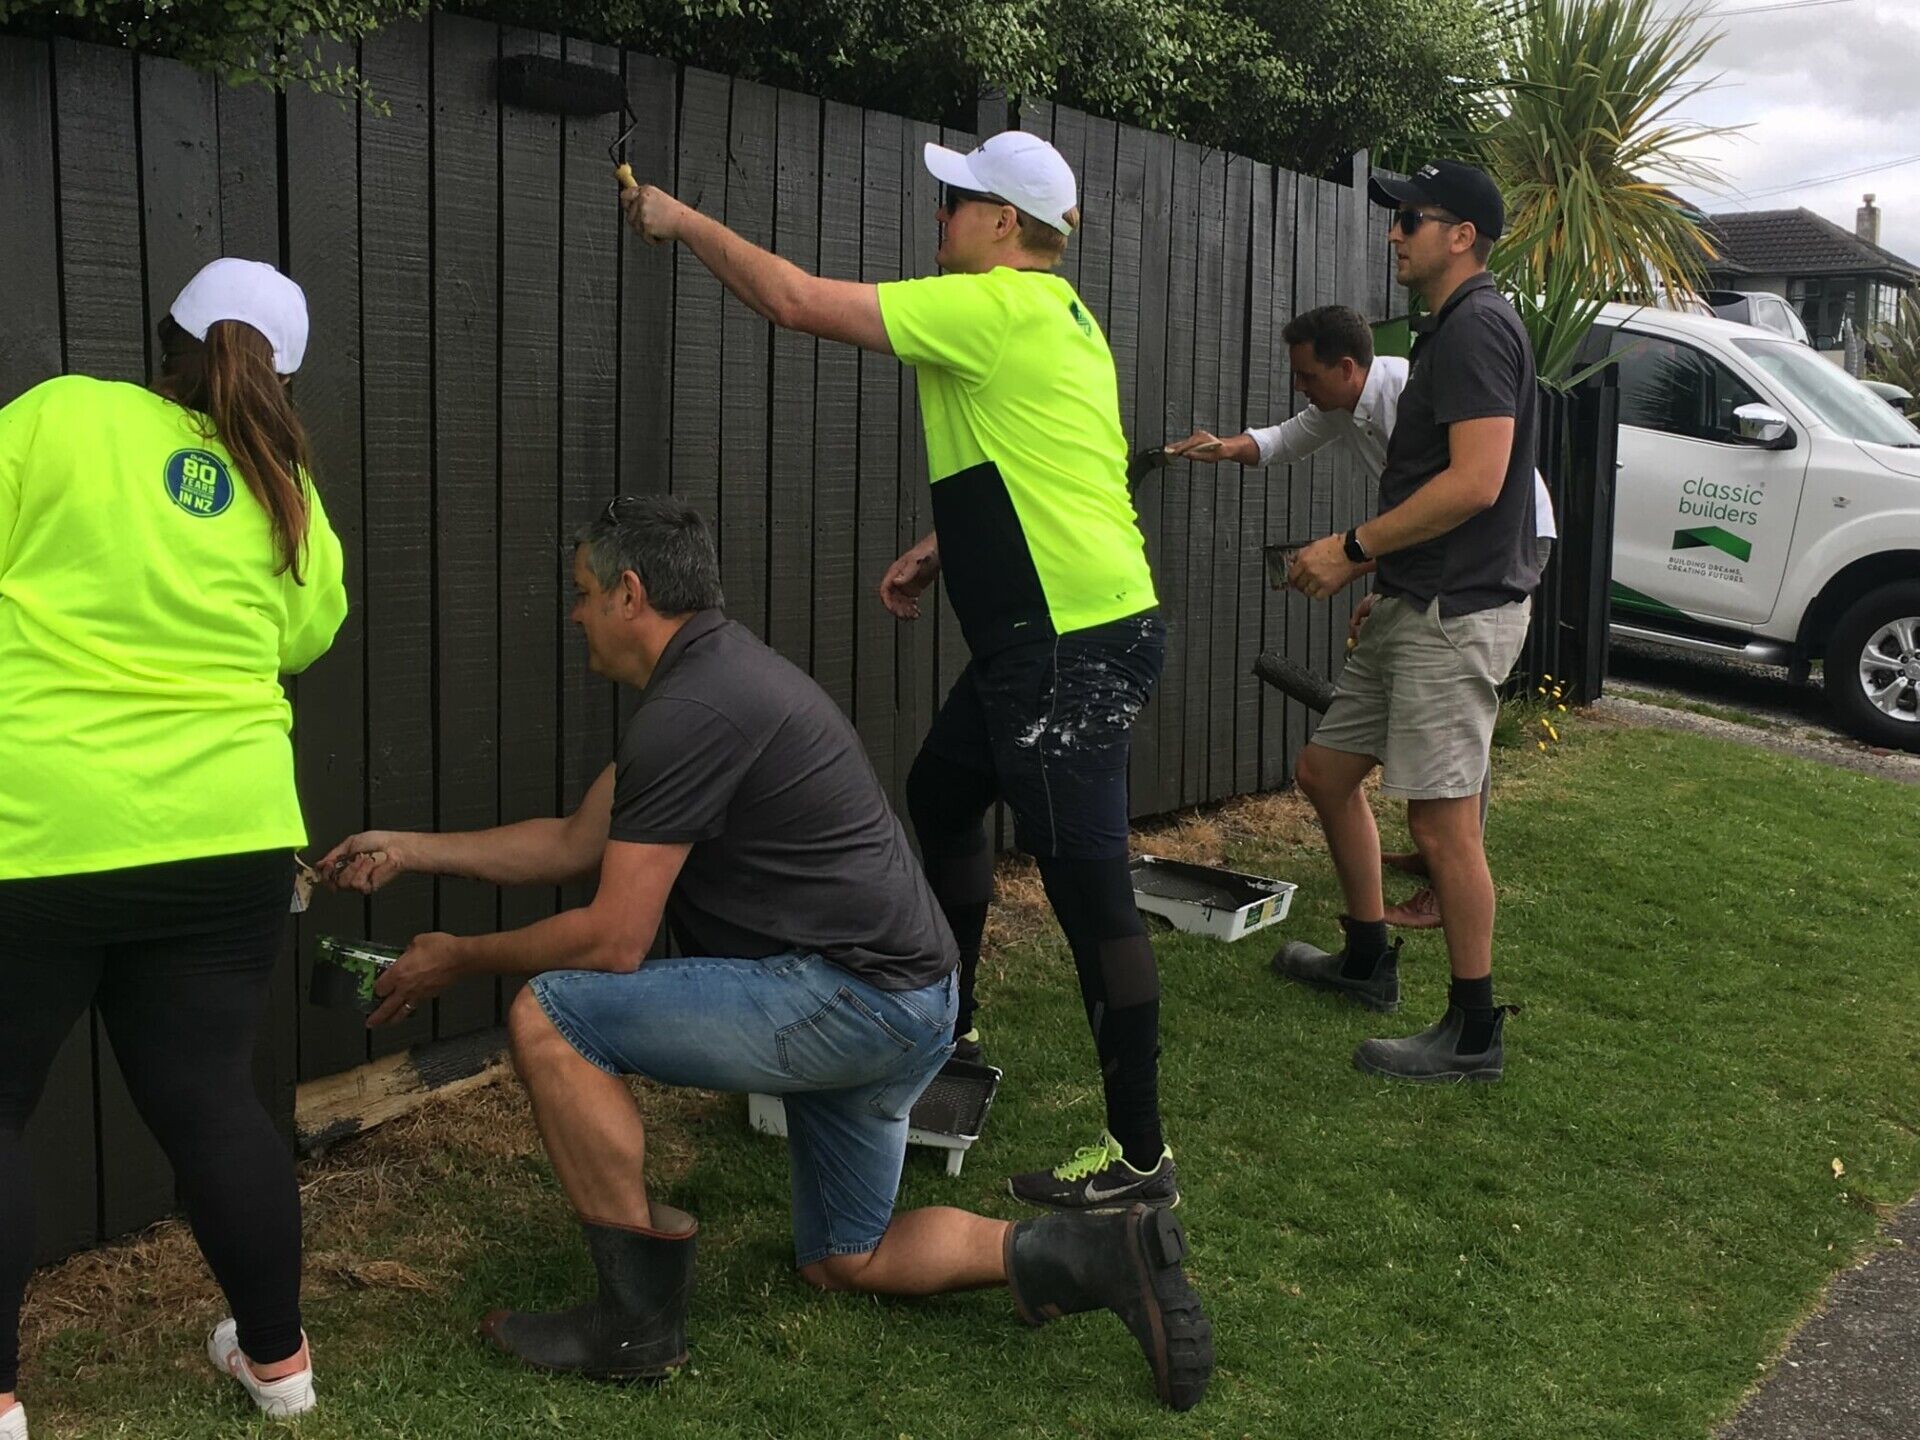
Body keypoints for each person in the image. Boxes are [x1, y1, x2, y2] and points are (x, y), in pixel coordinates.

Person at [318, 498, 1211, 1411]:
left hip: (849, 1000)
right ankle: (1099, 1252)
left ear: (632, 594)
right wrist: (412, 848)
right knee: (843, 1258)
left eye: (583, 593)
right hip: (912, 1002)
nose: (575, 612)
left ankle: (635, 1322)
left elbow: (612, 940)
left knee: (550, 1013)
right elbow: (571, 843)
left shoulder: (690, 711)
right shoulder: (718, 682)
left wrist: (455, 957)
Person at [621, 133, 1178, 1212]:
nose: (942, 216)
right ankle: (954, 1020)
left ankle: (1139, 1160)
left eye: (957, 200)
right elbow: (1062, 459)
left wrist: (682, 223)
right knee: (940, 791)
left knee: (1088, 889)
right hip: (1064, 628)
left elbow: (789, 300)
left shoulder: (990, 306)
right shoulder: (1064, 320)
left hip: (1064, 648)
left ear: (1005, 223)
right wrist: (944, 544)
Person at [0, 259, 348, 1436]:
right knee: (209, 1101)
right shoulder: (284, 481)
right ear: (280, 375)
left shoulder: (60, 416)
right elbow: (307, 635)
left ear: (165, 338)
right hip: (232, 833)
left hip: (42, 830)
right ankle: (279, 1363)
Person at [1264, 161, 1542, 1083]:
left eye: (1410, 219)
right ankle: (1368, 956)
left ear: (1461, 234)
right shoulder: (1448, 331)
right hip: (1417, 600)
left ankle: (1472, 1030)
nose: (1395, 233)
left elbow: (1477, 482)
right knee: (1326, 771)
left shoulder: (1477, 329)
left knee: (1442, 826)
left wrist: (1352, 548)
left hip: (1457, 613)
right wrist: (1388, 577)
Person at [1168, 303, 1559, 929]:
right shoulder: (1345, 405)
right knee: (1352, 766)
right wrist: (1221, 449)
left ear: (1347, 367)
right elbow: (1284, 439)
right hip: (1433, 557)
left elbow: (1459, 501)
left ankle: (1444, 879)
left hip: (1502, 539)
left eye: (1308, 376)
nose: (1301, 388)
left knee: (1455, 735)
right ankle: (1392, 914)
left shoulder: (1409, 392)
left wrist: (1360, 564)